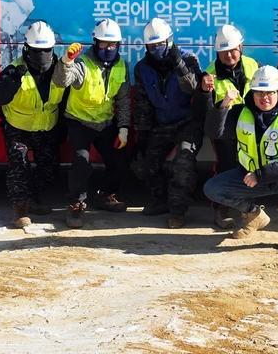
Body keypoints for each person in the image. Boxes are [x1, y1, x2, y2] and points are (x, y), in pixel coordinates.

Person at [203, 66, 278, 254]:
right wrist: (223, 105)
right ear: (252, 93)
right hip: (249, 176)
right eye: (259, 93)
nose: (264, 98)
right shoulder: (240, 113)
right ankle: (253, 214)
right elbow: (214, 132)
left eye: (269, 93)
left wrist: (260, 174)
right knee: (212, 188)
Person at [54, 19, 133, 228]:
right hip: (79, 120)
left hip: (105, 122)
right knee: (82, 160)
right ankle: (76, 203)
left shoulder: (122, 65)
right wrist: (67, 61)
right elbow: (62, 81)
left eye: (113, 44)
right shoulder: (83, 63)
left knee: (118, 159)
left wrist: (123, 129)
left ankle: (105, 195)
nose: (108, 48)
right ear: (95, 42)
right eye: (104, 44)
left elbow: (123, 100)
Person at [0, 21, 67, 229]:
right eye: (36, 51)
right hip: (18, 128)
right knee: (19, 166)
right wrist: (12, 82)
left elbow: (65, 100)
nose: (42, 55)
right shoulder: (14, 70)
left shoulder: (60, 70)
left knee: (49, 168)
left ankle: (34, 199)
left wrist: (61, 128)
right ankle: (20, 209)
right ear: (27, 49)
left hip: (46, 128)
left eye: (46, 50)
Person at [131, 17, 203, 229]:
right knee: (143, 164)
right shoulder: (142, 68)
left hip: (187, 123)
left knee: (183, 162)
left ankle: (178, 210)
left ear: (170, 41)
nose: (157, 49)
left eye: (161, 44)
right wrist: (142, 135)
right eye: (152, 46)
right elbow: (143, 102)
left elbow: (194, 89)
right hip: (162, 123)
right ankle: (160, 200)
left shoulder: (188, 59)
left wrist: (178, 65)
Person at [198, 23, 257, 230]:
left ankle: (245, 208)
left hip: (248, 126)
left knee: (250, 166)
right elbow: (204, 110)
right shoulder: (210, 74)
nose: (229, 56)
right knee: (226, 166)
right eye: (224, 52)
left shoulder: (251, 65)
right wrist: (206, 92)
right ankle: (220, 209)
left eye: (232, 50)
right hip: (224, 129)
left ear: (240, 47)